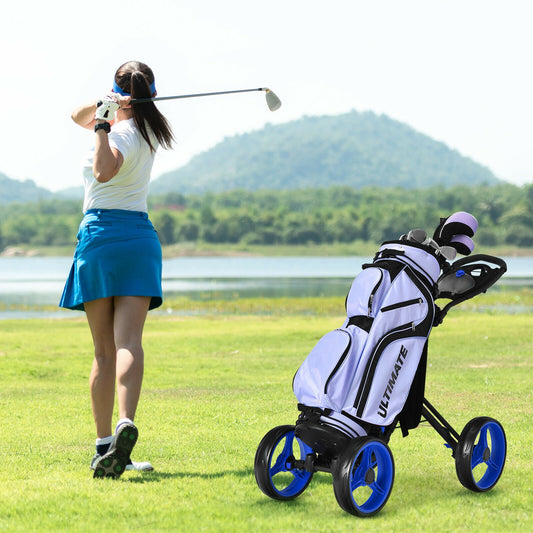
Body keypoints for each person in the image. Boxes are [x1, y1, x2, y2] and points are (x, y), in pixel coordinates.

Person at [60, 61, 174, 478]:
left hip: (102, 239)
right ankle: (126, 424)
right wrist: (103, 106)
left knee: (104, 352)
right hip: (139, 241)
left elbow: (103, 170)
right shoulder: (149, 132)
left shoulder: (121, 132)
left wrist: (103, 125)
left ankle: (105, 444)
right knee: (129, 343)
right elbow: (76, 114)